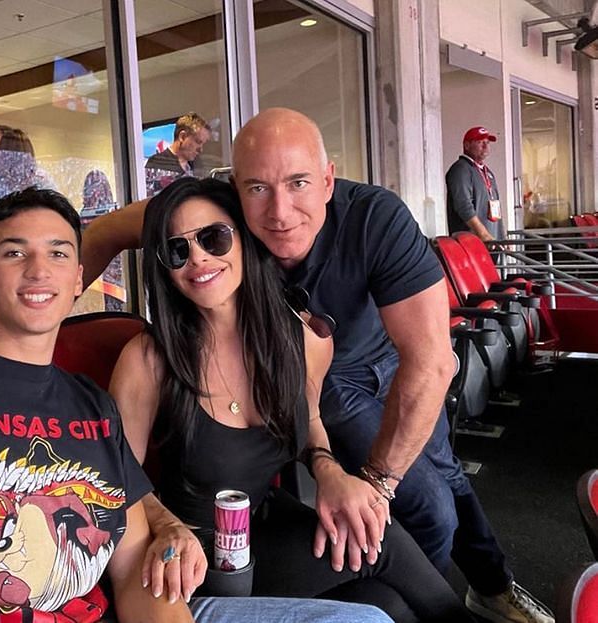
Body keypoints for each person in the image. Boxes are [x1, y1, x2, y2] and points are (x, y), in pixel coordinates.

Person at [81, 108, 554, 623]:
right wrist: (29, 339)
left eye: (214, 240)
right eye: (258, 189)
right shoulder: (153, 350)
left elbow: (431, 362)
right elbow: (109, 232)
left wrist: (350, 477)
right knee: (421, 513)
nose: (280, 211)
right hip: (226, 523)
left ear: (327, 179)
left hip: (366, 366)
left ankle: (489, 585)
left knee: (412, 527)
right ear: (239, 194)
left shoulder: (362, 233)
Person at [0, 186, 390, 623]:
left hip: (192, 566)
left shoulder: (89, 406)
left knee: (372, 615)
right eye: (16, 253)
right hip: (199, 560)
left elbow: (135, 550)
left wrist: (326, 468)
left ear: (78, 279)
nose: (38, 270)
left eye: (57, 253)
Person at [109, 176, 473, 622]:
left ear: (244, 239)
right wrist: (165, 525)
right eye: (176, 250)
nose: (199, 258)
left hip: (266, 527)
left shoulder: (302, 338)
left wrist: (328, 468)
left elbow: (309, 418)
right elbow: (116, 475)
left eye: (214, 237)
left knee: (385, 589)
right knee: (386, 561)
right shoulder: (148, 359)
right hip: (195, 556)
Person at [446, 126, 504, 241]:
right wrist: (484, 235)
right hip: (473, 243)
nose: (485, 146)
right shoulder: (461, 169)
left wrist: (502, 237)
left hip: (492, 242)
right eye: (480, 142)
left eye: (487, 142)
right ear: (467, 145)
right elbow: (463, 206)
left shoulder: (488, 173)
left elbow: (496, 207)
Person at [145, 112, 211, 197]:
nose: (201, 150)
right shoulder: (155, 165)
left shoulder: (190, 166)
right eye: (198, 142)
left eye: (203, 144)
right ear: (182, 137)